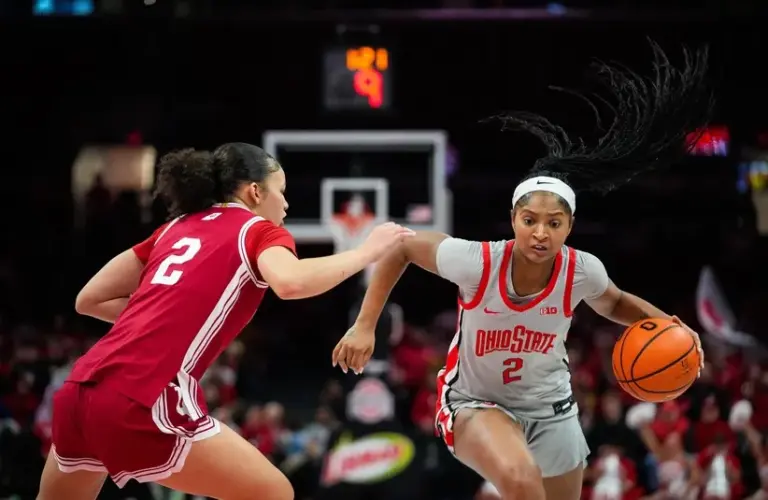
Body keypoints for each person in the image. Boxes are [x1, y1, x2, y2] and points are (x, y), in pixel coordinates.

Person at [332, 41, 713, 500]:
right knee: (519, 480)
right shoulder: (478, 261)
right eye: (529, 221)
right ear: (513, 219)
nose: (540, 233)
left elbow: (614, 301)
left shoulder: (580, 270)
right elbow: (401, 248)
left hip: (552, 408)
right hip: (475, 402)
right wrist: (364, 325)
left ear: (569, 226)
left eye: (554, 224)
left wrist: (671, 328)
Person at [37, 142, 414, 500]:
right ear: (254, 192)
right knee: (274, 493)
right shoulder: (257, 230)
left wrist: (167, 317)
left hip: (81, 391)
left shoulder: (174, 228)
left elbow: (89, 299)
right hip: (145, 392)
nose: (285, 202)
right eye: (279, 190)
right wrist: (366, 250)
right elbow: (292, 282)